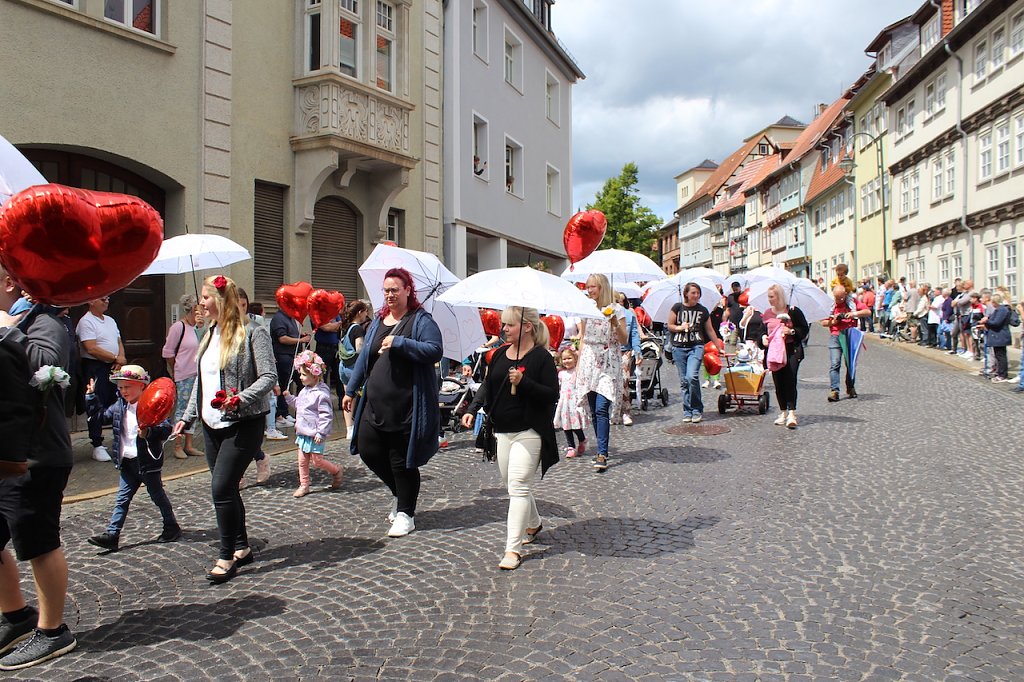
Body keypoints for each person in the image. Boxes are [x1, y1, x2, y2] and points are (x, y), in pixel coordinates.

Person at [172, 275, 277, 584]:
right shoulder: (209, 333)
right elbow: (201, 382)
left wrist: (239, 399)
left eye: (205, 297)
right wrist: (187, 417)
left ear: (220, 300)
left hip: (242, 424)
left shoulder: (253, 332)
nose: (200, 303)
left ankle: (226, 555)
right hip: (210, 425)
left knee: (220, 489)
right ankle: (242, 547)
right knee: (228, 489)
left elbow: (269, 376)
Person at [0, 265, 77, 670]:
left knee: (38, 541)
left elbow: (47, 368)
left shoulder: (44, 321)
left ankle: (52, 631)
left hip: (36, 453)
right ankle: (16, 616)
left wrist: (6, 330)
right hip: (5, 450)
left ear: (9, 283)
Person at [341, 268, 443, 538]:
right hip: (374, 402)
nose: (389, 294)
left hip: (406, 405)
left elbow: (434, 350)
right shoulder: (378, 320)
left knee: (400, 461)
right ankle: (400, 494)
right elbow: (365, 358)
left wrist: (400, 342)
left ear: (408, 290)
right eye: (386, 290)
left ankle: (406, 513)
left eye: (395, 289)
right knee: (368, 450)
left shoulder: (421, 320)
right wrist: (350, 390)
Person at [461, 307, 559, 570]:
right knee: (513, 485)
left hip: (530, 431)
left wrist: (524, 381)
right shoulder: (499, 354)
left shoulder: (542, 358)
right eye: (503, 324)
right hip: (502, 430)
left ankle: (512, 550)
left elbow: (552, 395)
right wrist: (472, 409)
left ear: (527, 327)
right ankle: (534, 523)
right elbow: (487, 386)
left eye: (509, 325)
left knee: (518, 487)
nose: (503, 329)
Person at [85, 365, 181, 551]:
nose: (123, 391)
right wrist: (91, 397)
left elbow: (165, 428)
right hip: (127, 461)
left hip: (146, 462)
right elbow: (101, 417)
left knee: (157, 496)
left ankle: (171, 525)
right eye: (120, 387)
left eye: (127, 387)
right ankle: (112, 534)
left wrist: (149, 432)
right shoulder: (119, 406)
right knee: (122, 499)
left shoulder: (151, 405)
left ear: (142, 386)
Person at [574, 274, 627, 471]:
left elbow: (624, 339)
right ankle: (601, 447)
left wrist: (614, 322)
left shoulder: (617, 309)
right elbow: (582, 337)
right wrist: (578, 364)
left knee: (601, 407)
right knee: (594, 409)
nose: (590, 290)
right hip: (589, 359)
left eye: (593, 286)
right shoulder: (586, 308)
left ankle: (602, 453)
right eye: (588, 287)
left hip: (608, 360)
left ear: (602, 287)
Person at [285, 350, 343, 497]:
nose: (300, 377)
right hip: (303, 431)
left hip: (315, 433)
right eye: (300, 374)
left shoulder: (321, 394)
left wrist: (321, 432)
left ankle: (336, 470)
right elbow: (299, 405)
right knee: (302, 461)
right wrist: (289, 398)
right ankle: (304, 485)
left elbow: (326, 415)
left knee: (317, 461)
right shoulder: (304, 390)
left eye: (304, 375)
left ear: (315, 375)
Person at [76, 296, 126, 462]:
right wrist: (115, 358)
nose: (107, 301)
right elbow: (91, 348)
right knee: (96, 403)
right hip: (96, 367)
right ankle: (97, 444)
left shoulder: (110, 320)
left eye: (108, 298)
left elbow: (118, 341)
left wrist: (120, 359)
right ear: (91, 301)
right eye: (103, 299)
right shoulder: (86, 322)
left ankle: (120, 438)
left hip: (113, 366)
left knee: (117, 401)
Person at [666, 282, 724, 425]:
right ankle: (687, 411)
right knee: (684, 381)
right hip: (679, 348)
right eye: (693, 293)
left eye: (698, 293)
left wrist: (718, 346)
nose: (696, 295)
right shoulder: (677, 308)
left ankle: (697, 409)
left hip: (696, 346)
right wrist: (680, 327)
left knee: (692, 376)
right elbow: (670, 326)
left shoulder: (702, 310)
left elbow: (710, 330)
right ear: (686, 294)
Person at [758, 284, 809, 429]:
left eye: (772, 297)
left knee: (790, 379)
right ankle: (783, 412)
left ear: (779, 297)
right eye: (768, 297)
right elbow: (761, 331)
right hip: (774, 352)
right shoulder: (767, 313)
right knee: (778, 382)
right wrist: (763, 338)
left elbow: (804, 329)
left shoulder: (793, 311)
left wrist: (791, 331)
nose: (769, 300)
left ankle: (792, 412)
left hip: (790, 350)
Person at [161, 294, 204, 459]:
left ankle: (189, 444)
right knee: (182, 409)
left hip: (198, 375)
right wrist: (176, 369)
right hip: (184, 375)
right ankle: (177, 444)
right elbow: (168, 352)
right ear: (193, 309)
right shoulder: (178, 327)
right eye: (200, 308)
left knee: (194, 410)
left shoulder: (199, 328)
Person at [823, 285, 871, 402]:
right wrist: (834, 321)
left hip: (850, 335)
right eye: (837, 298)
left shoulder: (852, 302)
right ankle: (834, 391)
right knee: (835, 363)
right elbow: (823, 322)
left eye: (841, 297)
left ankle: (850, 387)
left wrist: (854, 314)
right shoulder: (829, 305)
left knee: (850, 363)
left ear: (845, 294)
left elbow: (868, 312)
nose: (839, 300)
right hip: (835, 336)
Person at [270, 304, 310, 428]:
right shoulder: (278, 318)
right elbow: (282, 338)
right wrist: (301, 340)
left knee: (293, 383)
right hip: (283, 356)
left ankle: (286, 412)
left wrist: (300, 335)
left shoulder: (290, 318)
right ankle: (281, 414)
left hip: (292, 356)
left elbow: (290, 335)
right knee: (284, 385)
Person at [338, 300, 370, 440]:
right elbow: (359, 349)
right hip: (354, 368)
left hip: (343, 366)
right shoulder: (357, 329)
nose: (366, 315)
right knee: (360, 396)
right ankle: (359, 425)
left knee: (348, 397)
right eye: (365, 312)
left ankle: (349, 429)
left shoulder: (344, 327)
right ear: (359, 313)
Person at [553, 346, 587, 459]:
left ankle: (582, 439)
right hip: (564, 402)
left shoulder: (577, 372)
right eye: (564, 359)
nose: (567, 361)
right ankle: (571, 446)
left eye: (569, 358)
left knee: (576, 425)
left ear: (575, 359)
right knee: (566, 425)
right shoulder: (561, 374)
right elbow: (558, 386)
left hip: (574, 402)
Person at [614, 291, 642, 426]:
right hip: (609, 352)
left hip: (625, 351)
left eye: (621, 301)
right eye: (616, 301)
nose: (618, 303)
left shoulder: (629, 315)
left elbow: (634, 334)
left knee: (624, 380)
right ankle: (614, 410)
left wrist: (638, 352)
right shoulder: (605, 314)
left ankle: (625, 411)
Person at [978, 292, 1013, 382]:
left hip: (1000, 335)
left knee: (1001, 356)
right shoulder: (999, 309)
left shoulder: (1002, 310)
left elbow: (996, 323)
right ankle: (999, 372)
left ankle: (1002, 375)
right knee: (998, 355)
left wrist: (986, 321)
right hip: (997, 335)